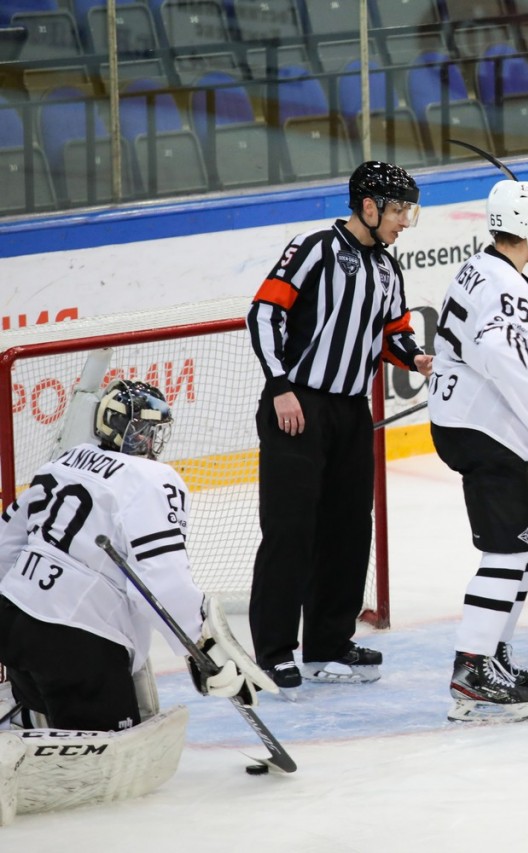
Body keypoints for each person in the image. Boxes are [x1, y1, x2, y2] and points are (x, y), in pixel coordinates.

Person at [246, 161, 432, 692]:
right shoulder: (313, 248)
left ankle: (328, 641)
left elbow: (393, 331)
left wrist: (416, 358)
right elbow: (263, 313)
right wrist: (280, 385)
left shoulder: (387, 268)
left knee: (350, 529)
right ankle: (274, 650)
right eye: (397, 210)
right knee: (291, 531)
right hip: (297, 405)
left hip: (352, 412)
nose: (404, 221)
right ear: (367, 206)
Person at [0, 379, 274, 734]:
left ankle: (29, 715)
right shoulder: (150, 477)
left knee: (42, 724)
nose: (148, 440)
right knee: (107, 754)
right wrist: (199, 647)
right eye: (141, 429)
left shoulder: (62, 462)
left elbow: (6, 545)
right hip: (77, 639)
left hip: (12, 619)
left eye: (153, 430)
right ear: (113, 426)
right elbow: (162, 579)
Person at [429, 179, 528, 723]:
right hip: (481, 428)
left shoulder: (482, 267)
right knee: (508, 548)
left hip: (468, 422)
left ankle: (493, 653)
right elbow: (500, 345)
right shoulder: (509, 286)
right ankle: (471, 669)